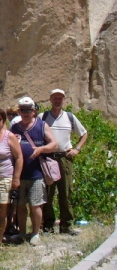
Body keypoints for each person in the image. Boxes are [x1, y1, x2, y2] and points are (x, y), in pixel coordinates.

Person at [10, 96, 58, 246]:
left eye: (28, 110)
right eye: (22, 110)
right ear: (18, 111)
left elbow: (54, 144)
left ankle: (35, 233)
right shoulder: (14, 128)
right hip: (19, 174)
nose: (25, 113)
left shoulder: (42, 125)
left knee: (35, 205)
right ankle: (22, 233)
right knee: (20, 205)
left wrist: (41, 149)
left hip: (36, 173)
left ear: (34, 111)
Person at [41, 89, 88, 235]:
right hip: (48, 158)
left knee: (65, 192)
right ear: (50, 99)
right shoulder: (43, 117)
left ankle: (66, 226)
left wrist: (77, 149)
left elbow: (84, 133)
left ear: (63, 100)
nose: (57, 100)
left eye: (60, 98)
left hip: (65, 158)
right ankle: (48, 225)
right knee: (48, 193)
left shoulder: (70, 117)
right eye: (55, 98)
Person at [0, 108, 23, 246]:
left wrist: (16, 178)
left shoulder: (9, 136)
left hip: (4, 177)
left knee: (1, 212)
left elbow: (19, 157)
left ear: (3, 121)